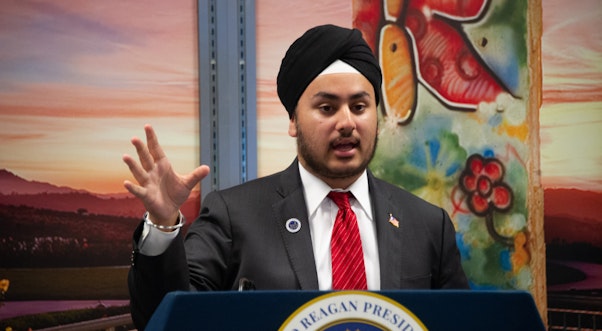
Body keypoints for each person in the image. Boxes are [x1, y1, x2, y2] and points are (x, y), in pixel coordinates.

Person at [123, 24, 469, 330]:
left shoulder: (427, 225)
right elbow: (164, 318)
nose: (347, 122)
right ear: (293, 121)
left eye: (360, 107)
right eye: (327, 108)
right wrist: (163, 224)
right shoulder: (234, 214)